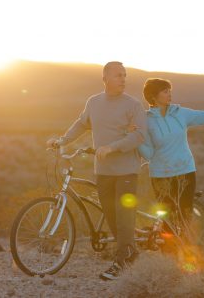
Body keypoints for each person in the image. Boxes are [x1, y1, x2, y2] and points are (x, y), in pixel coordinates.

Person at [47, 61, 147, 280]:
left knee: (124, 216)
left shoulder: (133, 104)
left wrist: (112, 147)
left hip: (127, 170)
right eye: (118, 75)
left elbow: (139, 136)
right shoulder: (94, 102)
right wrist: (62, 140)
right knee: (111, 216)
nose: (123, 79)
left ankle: (121, 262)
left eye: (124, 75)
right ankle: (131, 253)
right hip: (103, 171)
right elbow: (82, 123)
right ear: (105, 78)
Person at [135, 78, 204, 235]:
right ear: (153, 96)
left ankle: (185, 252)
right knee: (167, 219)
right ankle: (168, 255)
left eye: (170, 90)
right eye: (165, 91)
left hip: (185, 172)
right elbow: (148, 154)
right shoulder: (146, 120)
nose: (170, 94)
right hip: (161, 176)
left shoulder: (180, 113)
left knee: (185, 216)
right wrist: (135, 137)